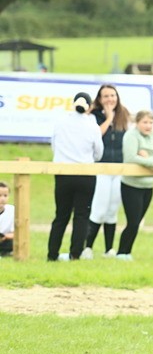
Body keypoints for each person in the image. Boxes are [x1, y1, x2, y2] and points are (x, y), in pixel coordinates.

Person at [48, 92, 103, 261]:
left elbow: (53, 146)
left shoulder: (61, 121)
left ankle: (52, 255)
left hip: (63, 173)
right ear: (90, 106)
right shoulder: (92, 125)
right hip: (85, 174)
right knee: (81, 216)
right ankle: (75, 254)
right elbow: (98, 153)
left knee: (61, 215)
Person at [83, 84, 131, 259]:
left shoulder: (124, 115)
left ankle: (109, 249)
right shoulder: (92, 116)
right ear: (100, 99)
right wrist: (109, 118)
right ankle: (87, 247)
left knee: (112, 209)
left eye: (113, 95)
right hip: (101, 167)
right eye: (106, 96)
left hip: (119, 168)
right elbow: (96, 135)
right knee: (99, 208)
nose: (110, 99)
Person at [115, 110, 153, 260]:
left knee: (137, 222)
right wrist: (152, 161)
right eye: (144, 122)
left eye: (150, 122)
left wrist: (147, 157)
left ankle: (127, 252)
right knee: (133, 221)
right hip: (131, 185)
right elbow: (131, 157)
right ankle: (121, 252)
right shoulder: (131, 136)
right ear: (137, 123)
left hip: (148, 185)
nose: (148, 125)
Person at [0, 181, 13, 257]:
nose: (2, 199)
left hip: (4, 239)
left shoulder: (12, 210)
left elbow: (19, 233)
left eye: (5, 196)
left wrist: (5, 236)